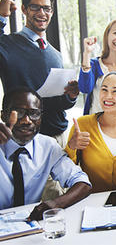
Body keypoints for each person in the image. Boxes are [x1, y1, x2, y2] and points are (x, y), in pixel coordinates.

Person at [0, 0, 78, 143]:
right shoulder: (7, 44)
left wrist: (70, 96)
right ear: (24, 9)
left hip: (58, 136)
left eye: (47, 8)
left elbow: (54, 102)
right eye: (35, 7)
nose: (42, 13)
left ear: (52, 12)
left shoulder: (56, 55)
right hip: (24, 136)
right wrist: (1, 17)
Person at [0, 87, 91, 220]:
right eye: (19, 112)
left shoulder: (48, 147)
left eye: (34, 113)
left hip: (26, 225)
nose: (27, 120)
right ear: (3, 116)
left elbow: (83, 182)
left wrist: (56, 203)